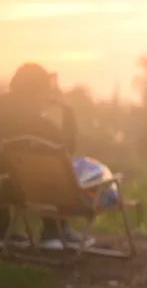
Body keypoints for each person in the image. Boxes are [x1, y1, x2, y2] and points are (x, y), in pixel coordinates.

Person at [0, 63, 94, 249]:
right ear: (38, 93)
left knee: (11, 176)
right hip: (35, 192)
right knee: (53, 177)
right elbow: (67, 150)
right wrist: (68, 112)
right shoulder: (44, 129)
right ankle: (55, 231)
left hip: (9, 190)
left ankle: (2, 230)